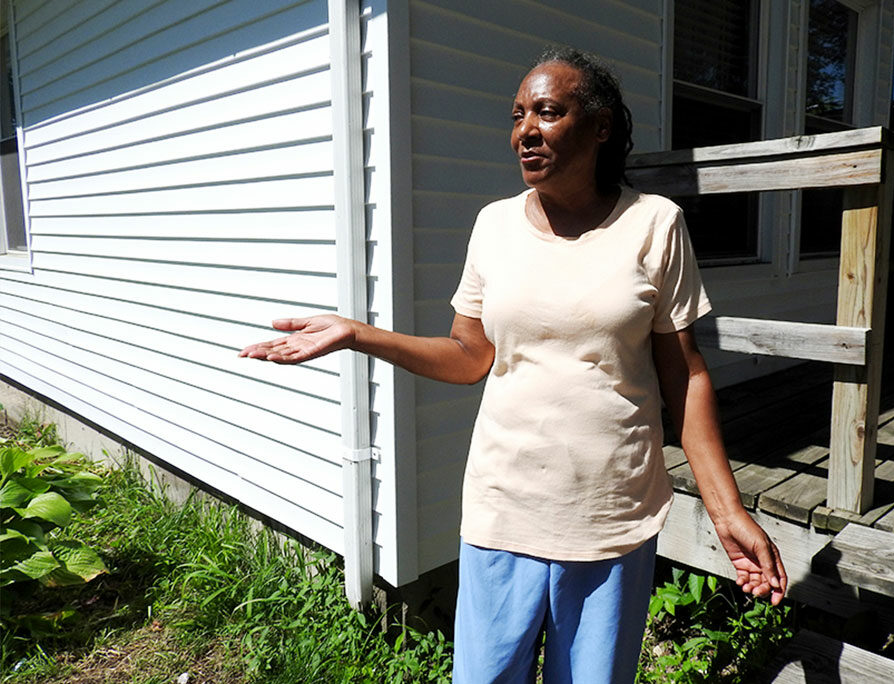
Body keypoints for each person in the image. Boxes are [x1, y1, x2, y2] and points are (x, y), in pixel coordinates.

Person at [240, 46, 786, 684]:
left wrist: (727, 512)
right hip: (505, 506)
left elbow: (685, 376)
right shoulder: (493, 225)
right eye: (518, 114)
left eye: (548, 112)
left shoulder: (654, 225)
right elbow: (470, 356)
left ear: (600, 126)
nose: (525, 130)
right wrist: (359, 334)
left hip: (611, 514)